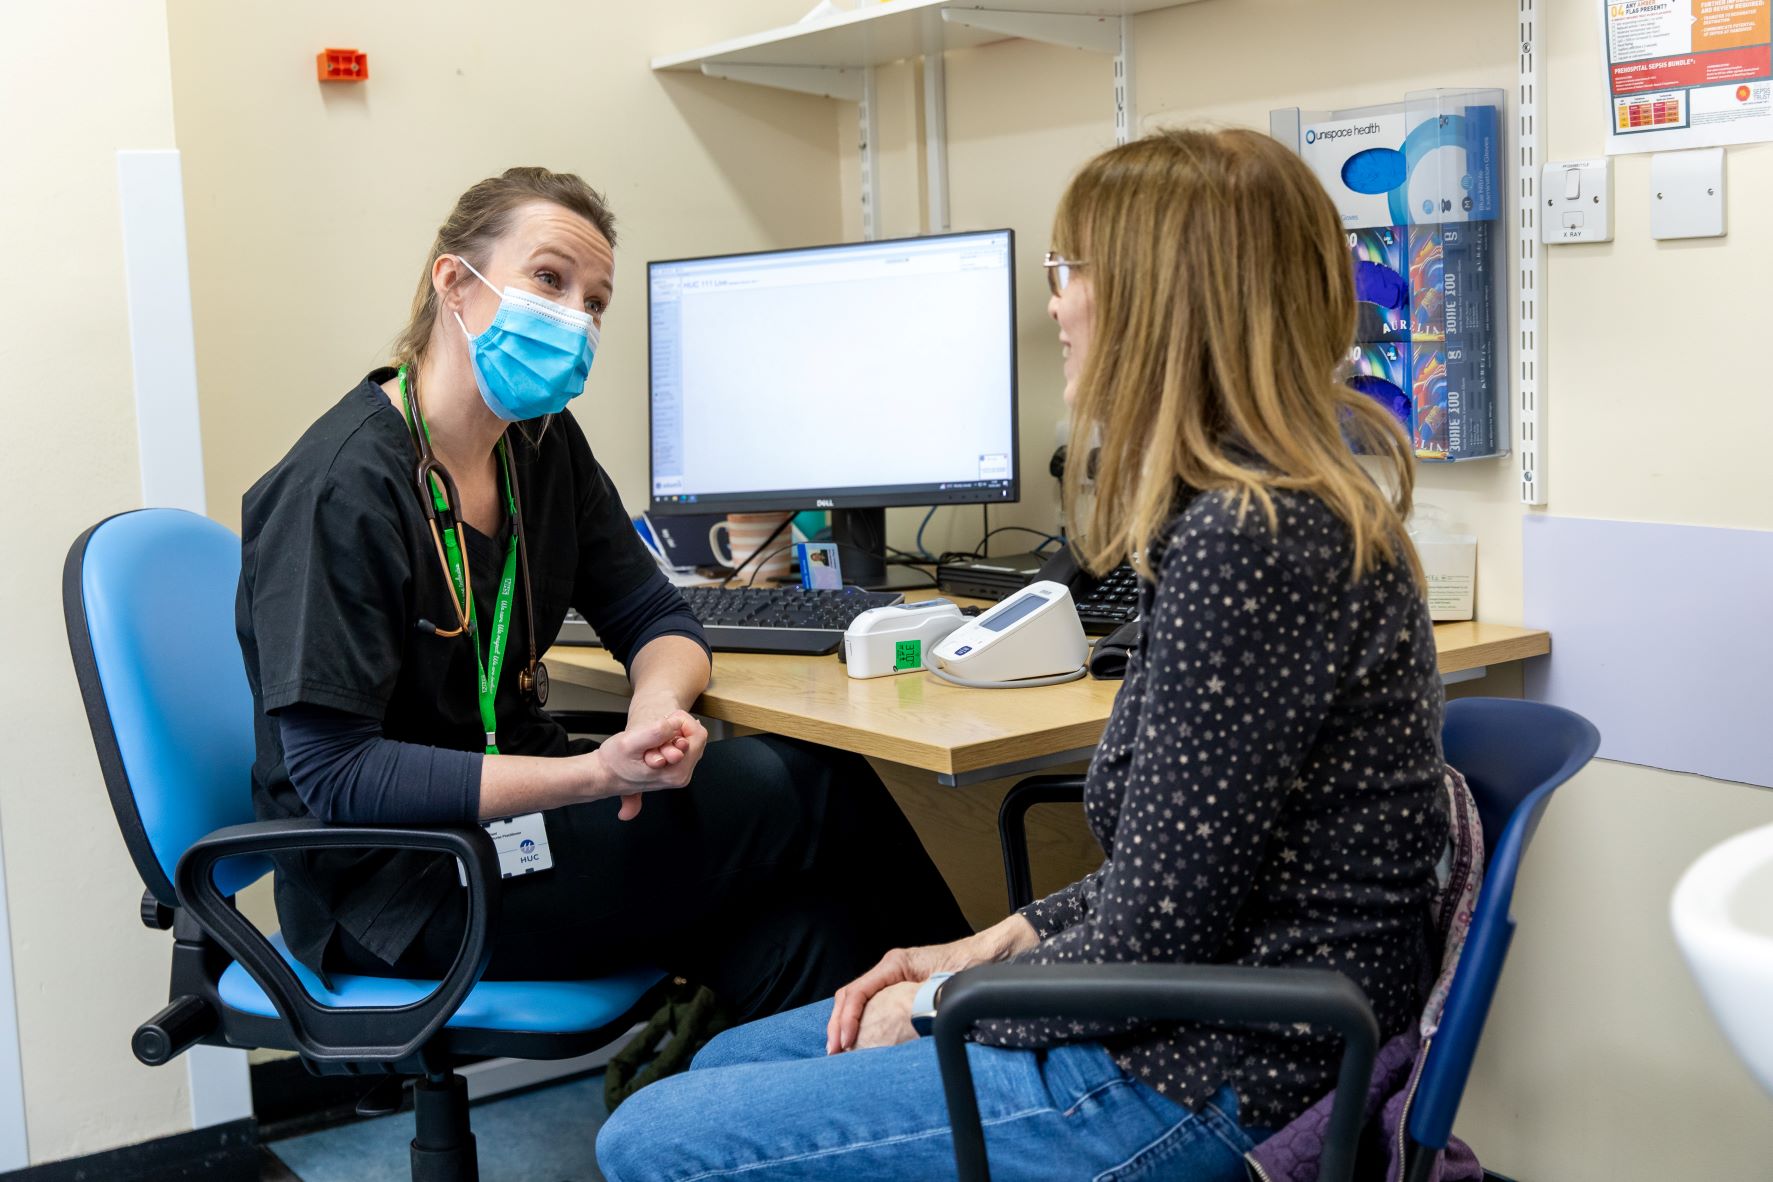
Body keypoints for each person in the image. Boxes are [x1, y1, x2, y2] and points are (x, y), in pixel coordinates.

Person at [596, 128, 1449, 1181]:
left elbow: (1152, 944)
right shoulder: (1244, 518)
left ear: (1158, 297)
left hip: (1212, 1072)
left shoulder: (1254, 545)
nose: (1056, 303)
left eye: (1070, 269)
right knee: (723, 1061)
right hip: (1194, 1017)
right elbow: (1165, 881)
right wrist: (975, 948)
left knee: (651, 1141)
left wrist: (946, 1005)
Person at [236, 167, 968, 1023]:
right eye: (550, 279)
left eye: (595, 302)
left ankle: (856, 1130)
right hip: (404, 883)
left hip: (528, 835)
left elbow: (654, 615)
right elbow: (337, 776)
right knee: (813, 784)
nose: (575, 317)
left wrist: (654, 709)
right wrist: (589, 775)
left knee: (804, 936)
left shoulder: (539, 446)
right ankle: (1005, 1031)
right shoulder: (340, 488)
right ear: (453, 283)